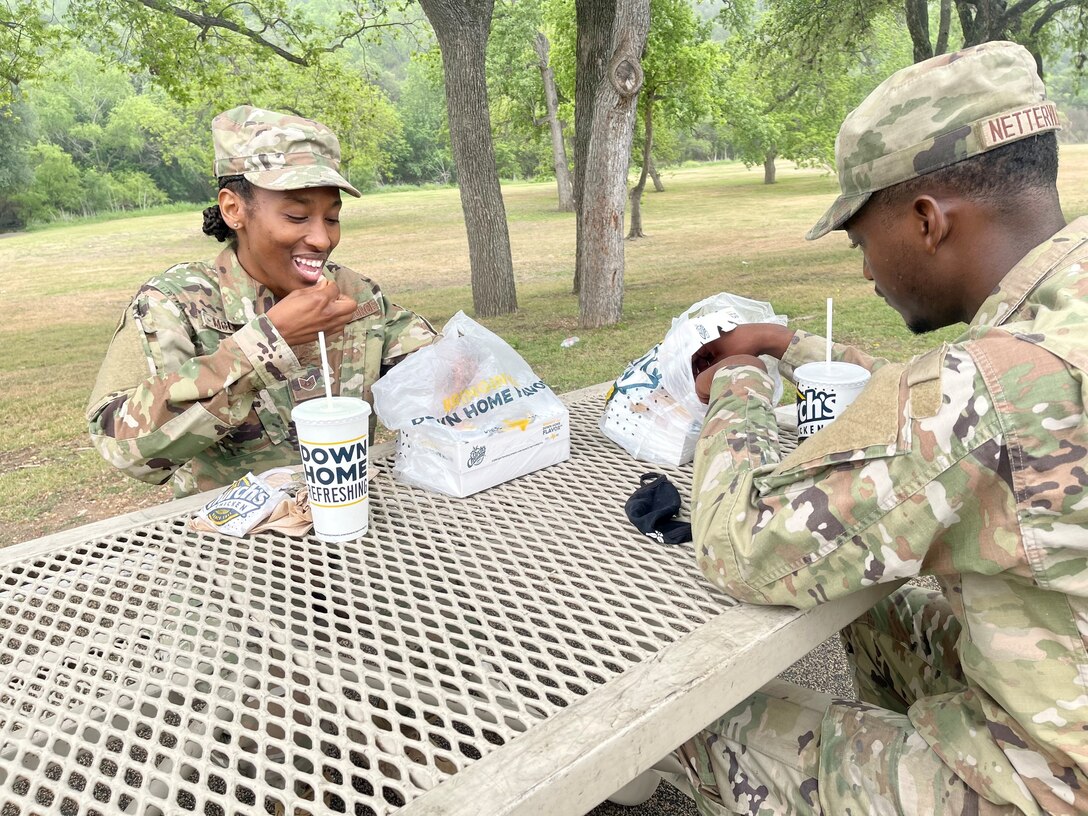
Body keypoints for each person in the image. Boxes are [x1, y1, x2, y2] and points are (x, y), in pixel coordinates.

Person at [677, 41, 1087, 815]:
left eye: (863, 240)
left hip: (1059, 785)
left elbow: (743, 545)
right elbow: (950, 413)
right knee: (885, 614)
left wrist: (737, 382)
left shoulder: (987, 395)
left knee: (700, 724)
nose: (865, 271)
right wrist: (796, 350)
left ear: (927, 220)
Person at [87, 106, 436, 496]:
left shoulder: (354, 293)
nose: (322, 240)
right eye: (296, 216)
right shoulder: (174, 304)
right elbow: (120, 445)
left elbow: (442, 369)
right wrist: (265, 345)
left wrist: (466, 373)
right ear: (234, 209)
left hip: (350, 523)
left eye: (332, 218)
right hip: (236, 547)